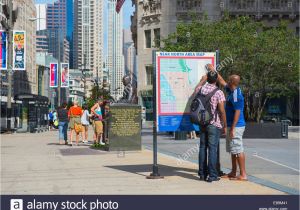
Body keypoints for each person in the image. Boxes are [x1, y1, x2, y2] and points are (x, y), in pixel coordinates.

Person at [194, 69, 227, 182]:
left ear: (207, 78)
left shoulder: (201, 88)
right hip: (214, 123)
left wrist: (202, 81)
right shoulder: (219, 92)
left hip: (202, 122)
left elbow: (195, 90)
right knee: (212, 149)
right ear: (216, 79)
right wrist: (224, 125)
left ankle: (202, 174)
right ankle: (212, 175)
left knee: (203, 147)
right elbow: (222, 111)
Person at [216, 72, 248, 181]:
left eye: (229, 80)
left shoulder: (236, 95)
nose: (227, 81)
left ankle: (243, 175)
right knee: (233, 150)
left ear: (232, 82)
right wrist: (213, 70)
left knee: (238, 149)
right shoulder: (231, 90)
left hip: (236, 126)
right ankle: (233, 172)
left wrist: (233, 129)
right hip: (231, 125)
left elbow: (237, 112)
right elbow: (221, 81)